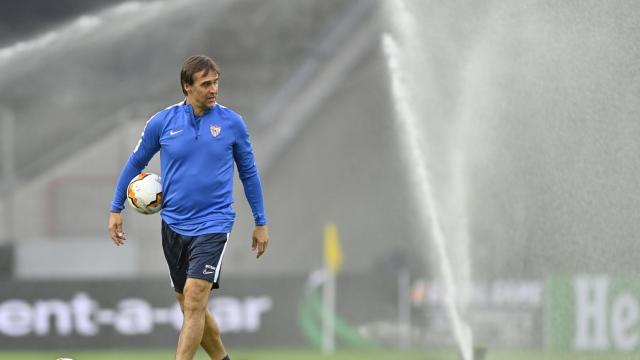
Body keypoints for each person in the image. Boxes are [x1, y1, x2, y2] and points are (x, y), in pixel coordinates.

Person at [107, 54, 269, 360]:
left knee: (195, 300)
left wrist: (260, 221)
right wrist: (116, 207)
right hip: (173, 225)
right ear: (187, 86)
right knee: (190, 306)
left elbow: (249, 173)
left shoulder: (232, 123)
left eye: (216, 82)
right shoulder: (162, 122)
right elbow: (135, 162)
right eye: (206, 84)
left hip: (213, 223)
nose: (213, 89)